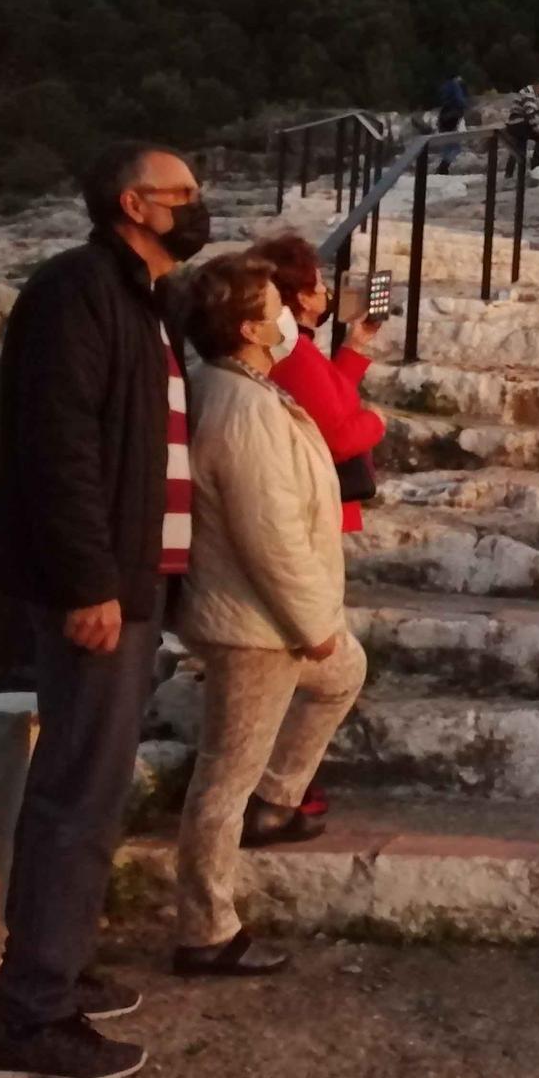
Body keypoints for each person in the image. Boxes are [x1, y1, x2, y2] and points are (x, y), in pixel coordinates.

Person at [0, 143, 210, 1078]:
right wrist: (87, 584)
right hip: (100, 588)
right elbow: (57, 446)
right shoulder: (77, 290)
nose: (198, 204)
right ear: (132, 204)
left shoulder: (143, 299)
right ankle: (29, 1022)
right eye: (183, 193)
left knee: (83, 787)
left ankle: (39, 973)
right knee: (80, 793)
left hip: (132, 582)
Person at [170, 252, 367, 978]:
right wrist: (312, 624)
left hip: (263, 617)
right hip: (257, 626)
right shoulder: (243, 407)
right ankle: (206, 929)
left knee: (346, 675)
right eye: (272, 305)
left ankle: (279, 799)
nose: (287, 314)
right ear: (253, 326)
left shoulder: (231, 387)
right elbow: (269, 533)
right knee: (223, 779)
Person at [252, 233, 387, 820]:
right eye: (318, 282)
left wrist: (356, 349)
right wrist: (377, 424)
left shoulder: (298, 352)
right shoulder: (294, 355)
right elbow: (335, 430)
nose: (328, 291)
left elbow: (327, 400)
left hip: (309, 505)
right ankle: (277, 788)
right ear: (302, 294)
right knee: (321, 657)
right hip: (307, 512)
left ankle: (277, 784)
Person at [506, 77, 539, 169]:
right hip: (519, 124)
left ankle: (509, 172)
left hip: (516, 124)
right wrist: (535, 126)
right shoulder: (529, 94)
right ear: (538, 86)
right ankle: (535, 165)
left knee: (517, 147)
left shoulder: (527, 92)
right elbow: (530, 112)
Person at [434, 75, 469, 173]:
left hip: (446, 117)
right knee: (454, 146)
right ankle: (443, 168)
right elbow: (460, 101)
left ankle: (443, 168)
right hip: (451, 117)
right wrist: (464, 107)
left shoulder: (447, 86)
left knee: (450, 145)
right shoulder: (454, 86)